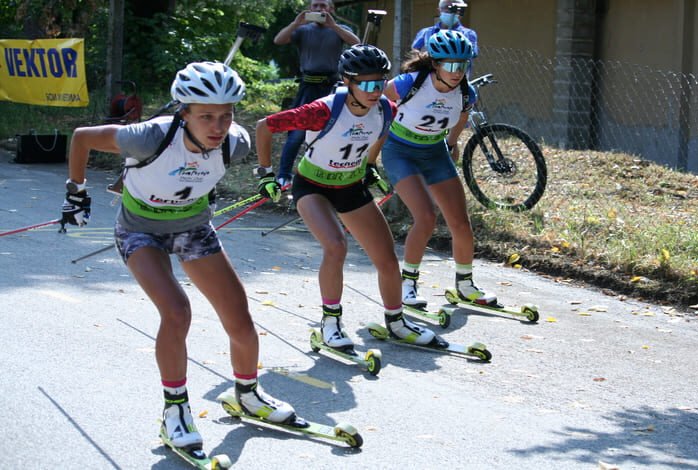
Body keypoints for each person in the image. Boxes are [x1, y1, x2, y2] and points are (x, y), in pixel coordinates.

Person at [60, 61, 301, 457]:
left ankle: (248, 395)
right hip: (140, 231)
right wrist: (76, 193)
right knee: (177, 310)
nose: (218, 126)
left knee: (240, 320)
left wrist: (265, 174)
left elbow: (259, 138)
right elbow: (82, 137)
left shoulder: (234, 141)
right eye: (206, 116)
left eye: (225, 116)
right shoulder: (148, 137)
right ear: (182, 112)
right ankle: (175, 412)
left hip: (194, 229)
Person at [255, 44, 447, 352]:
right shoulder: (323, 110)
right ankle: (330, 323)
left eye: (379, 82)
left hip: (350, 186)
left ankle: (396, 322)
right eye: (366, 84)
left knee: (385, 257)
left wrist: (369, 165)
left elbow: (382, 132)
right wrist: (265, 173)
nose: (374, 91)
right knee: (336, 245)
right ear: (347, 81)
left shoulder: (387, 108)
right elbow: (265, 126)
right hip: (313, 186)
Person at [372, 30, 499, 310]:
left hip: (434, 151)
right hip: (400, 151)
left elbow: (463, 115)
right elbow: (375, 102)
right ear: (436, 64)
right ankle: (407, 283)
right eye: (451, 65)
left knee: (461, 223)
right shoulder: (409, 83)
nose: (458, 72)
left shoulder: (466, 91)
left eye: (463, 65)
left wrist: (452, 142)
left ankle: (465, 285)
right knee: (426, 216)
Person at [273, 0, 360, 188]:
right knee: (297, 132)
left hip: (332, 86)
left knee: (332, 129)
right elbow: (278, 40)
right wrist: (296, 23)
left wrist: (333, 25)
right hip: (308, 85)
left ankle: (326, 172)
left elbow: (357, 43)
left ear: (331, 9)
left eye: (324, 6)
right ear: (309, 9)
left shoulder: (338, 29)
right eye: (315, 6)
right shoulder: (303, 30)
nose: (319, 10)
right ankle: (283, 175)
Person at [411, 1, 478, 59]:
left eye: (456, 9)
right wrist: (427, 56)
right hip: (430, 72)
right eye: (447, 8)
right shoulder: (426, 32)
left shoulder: (468, 34)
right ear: (439, 11)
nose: (451, 12)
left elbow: (473, 53)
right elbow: (415, 50)